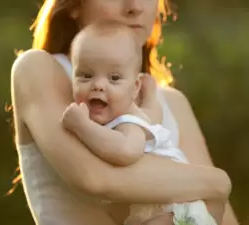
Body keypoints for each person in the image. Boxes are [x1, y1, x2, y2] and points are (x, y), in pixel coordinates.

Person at [10, 0, 238, 224]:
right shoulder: (39, 69)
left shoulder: (172, 102)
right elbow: (97, 178)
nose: (135, 7)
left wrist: (213, 186)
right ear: (75, 5)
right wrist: (216, 182)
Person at [62, 19, 218, 225]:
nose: (98, 85)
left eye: (114, 78)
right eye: (85, 75)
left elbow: (127, 151)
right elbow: (154, 118)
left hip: (175, 208)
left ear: (135, 88)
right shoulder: (139, 116)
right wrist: (151, 96)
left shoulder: (129, 122)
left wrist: (82, 126)